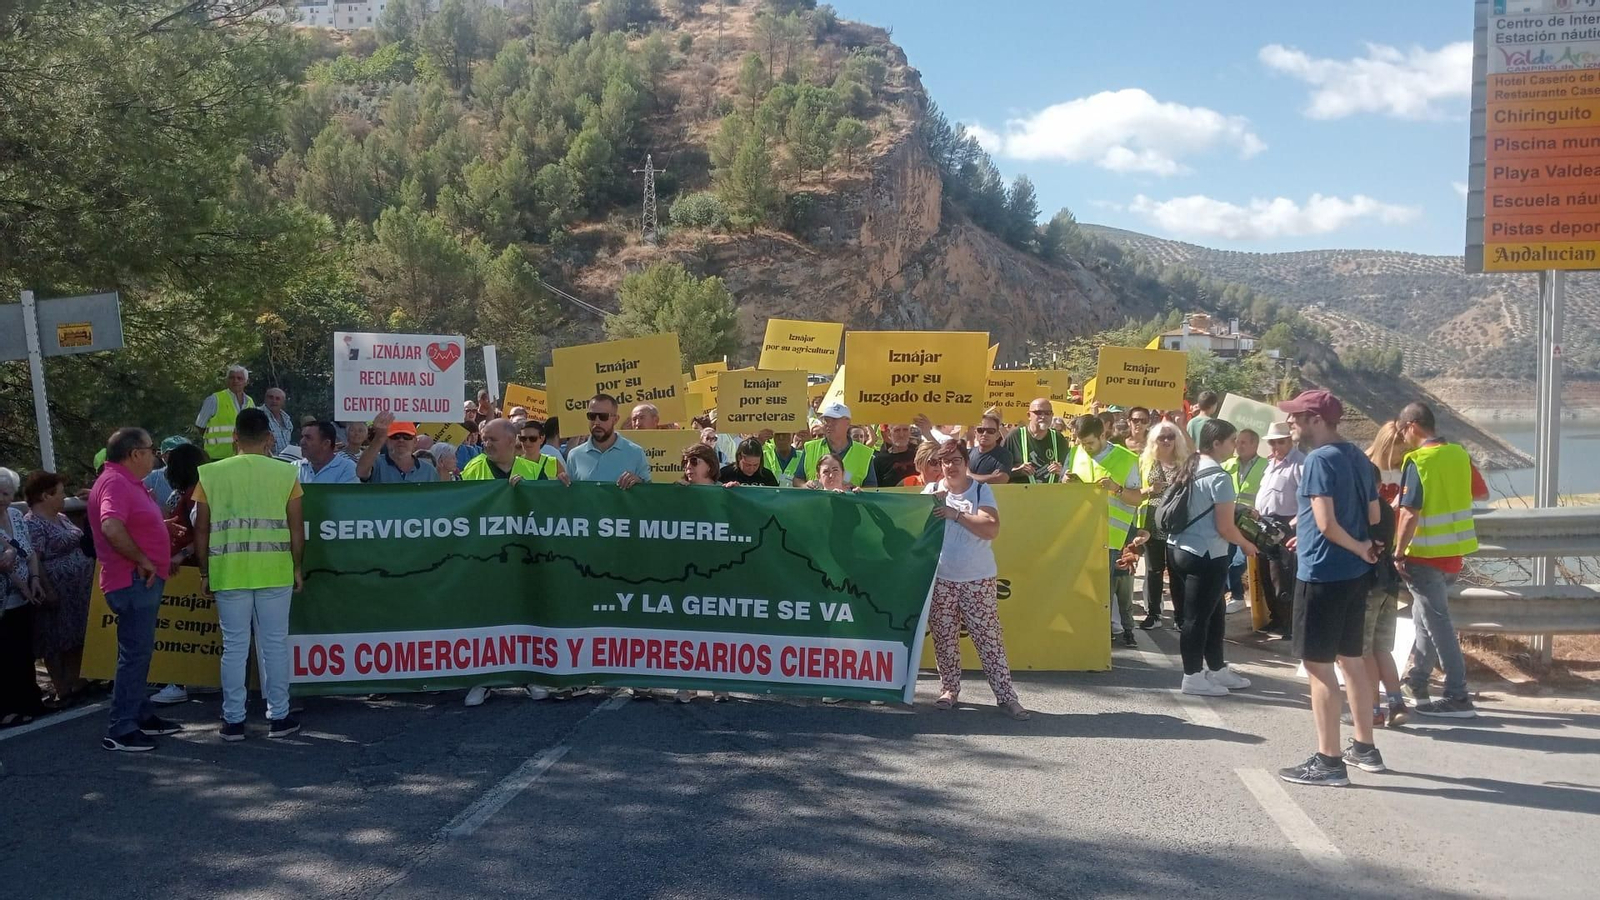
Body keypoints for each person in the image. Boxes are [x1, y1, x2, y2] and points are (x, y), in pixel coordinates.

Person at [1276, 390, 1383, 786]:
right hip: (1354, 575)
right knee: (1351, 659)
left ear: (1317, 420)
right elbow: (1372, 513)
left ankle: (1328, 761)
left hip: (1321, 573)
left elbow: (1326, 524)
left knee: (1318, 667)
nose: (1290, 423)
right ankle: (1364, 747)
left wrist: (1351, 544)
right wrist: (1363, 547)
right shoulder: (1356, 455)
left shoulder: (1318, 459)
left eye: (1297, 417)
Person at [194, 408, 305, 741]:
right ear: (270, 438)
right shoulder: (286, 474)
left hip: (228, 572)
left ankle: (233, 721)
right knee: (274, 646)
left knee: (234, 648)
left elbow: (201, 529)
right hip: (275, 571)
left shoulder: (211, 473)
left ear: (234, 437)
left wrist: (204, 572)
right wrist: (297, 566)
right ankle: (280, 717)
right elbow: (296, 528)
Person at [87, 428, 183, 751]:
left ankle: (139, 714)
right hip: (132, 581)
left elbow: (129, 522)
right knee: (134, 655)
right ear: (134, 454)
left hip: (137, 580)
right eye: (151, 449)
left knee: (136, 653)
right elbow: (111, 525)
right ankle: (121, 727)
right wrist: (143, 559)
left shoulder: (125, 482)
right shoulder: (115, 482)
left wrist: (161, 527)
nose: (155, 455)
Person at [921, 441, 1029, 720]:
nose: (950, 466)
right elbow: (913, 524)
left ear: (965, 461)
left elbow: (990, 528)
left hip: (977, 579)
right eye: (944, 461)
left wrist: (955, 514)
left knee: (988, 639)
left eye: (955, 460)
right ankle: (949, 689)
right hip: (942, 577)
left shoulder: (980, 490)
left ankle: (1006, 697)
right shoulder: (932, 491)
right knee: (944, 638)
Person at [1394, 401, 1481, 720]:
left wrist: (1399, 551)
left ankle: (1458, 695)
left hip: (1424, 555)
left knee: (1438, 623)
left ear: (1413, 426)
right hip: (1453, 555)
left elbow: (1409, 512)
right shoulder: (1459, 454)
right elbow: (1479, 492)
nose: (1403, 438)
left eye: (1403, 431)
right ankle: (1417, 682)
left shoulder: (1417, 460)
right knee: (1424, 619)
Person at [1165, 419, 1257, 697]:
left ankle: (1216, 669)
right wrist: (1247, 544)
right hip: (1206, 555)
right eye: (1232, 441)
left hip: (1179, 549)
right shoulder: (1219, 476)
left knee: (1214, 613)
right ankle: (1192, 677)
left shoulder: (1191, 466)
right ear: (1217, 443)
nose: (1234, 447)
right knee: (1196, 620)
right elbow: (1225, 528)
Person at [1067, 415, 1145, 643]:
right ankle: (1083, 637)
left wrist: (1117, 489)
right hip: (1078, 536)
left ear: (1103, 435)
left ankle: (1099, 641)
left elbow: (1137, 499)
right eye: (1082, 443)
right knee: (1079, 590)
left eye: (1090, 443)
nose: (1086, 448)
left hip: (1109, 538)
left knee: (1103, 592)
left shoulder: (1126, 459)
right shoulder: (1075, 453)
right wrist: (1069, 484)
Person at [23, 472, 94, 706]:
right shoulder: (32, 523)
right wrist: (47, 588)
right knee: (55, 639)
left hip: (77, 589)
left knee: (75, 635)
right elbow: (36, 558)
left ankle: (78, 681)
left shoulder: (62, 517)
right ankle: (62, 687)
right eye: (60, 493)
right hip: (55, 588)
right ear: (45, 495)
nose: (64, 497)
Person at [1359, 423, 1408, 729]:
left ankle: (1374, 709)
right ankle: (1397, 702)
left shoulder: (1364, 511)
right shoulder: (1389, 511)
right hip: (1388, 584)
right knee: (1382, 649)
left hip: (1366, 586)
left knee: (1362, 653)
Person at [1, 467, 48, 726]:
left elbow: (28, 551)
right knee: (4, 654)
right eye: (1, 493)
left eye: (9, 493)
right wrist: (24, 586)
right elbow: (4, 564)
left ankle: (30, 701)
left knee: (23, 650)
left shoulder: (16, 516)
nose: (6, 499)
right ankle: (6, 709)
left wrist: (35, 580)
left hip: (23, 594)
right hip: (4, 596)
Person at [1138, 420, 1190, 630]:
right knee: (1153, 570)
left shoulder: (1185, 464)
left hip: (1177, 522)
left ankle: (1180, 616)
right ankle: (1153, 614)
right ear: (1154, 440)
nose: (1167, 441)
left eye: (1171, 437)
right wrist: (1150, 489)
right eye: (1162, 437)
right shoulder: (1145, 462)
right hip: (1151, 521)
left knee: (1177, 572)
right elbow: (1134, 490)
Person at [1255, 421, 1304, 639]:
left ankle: (1288, 623)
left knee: (1282, 575)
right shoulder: (1271, 464)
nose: (1276, 446)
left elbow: (1309, 499)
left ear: (1290, 441)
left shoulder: (1299, 464)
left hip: (1286, 524)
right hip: (1265, 523)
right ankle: (1277, 618)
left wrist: (1295, 523)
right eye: (1273, 442)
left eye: (1280, 442)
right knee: (1266, 572)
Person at [1223, 428, 1267, 614]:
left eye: (1243, 442)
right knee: (1225, 560)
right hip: (1229, 520)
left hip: (1250, 524)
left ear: (1255, 445)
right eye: (1237, 442)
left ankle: (1238, 597)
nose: (1238, 446)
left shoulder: (1266, 465)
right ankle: (1233, 594)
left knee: (1238, 563)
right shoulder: (1228, 464)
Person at [567, 394, 652, 489]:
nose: (596, 422)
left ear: (615, 419)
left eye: (603, 417)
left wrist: (639, 482)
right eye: (592, 416)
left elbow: (648, 495)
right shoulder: (575, 455)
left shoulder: (636, 453)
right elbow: (570, 496)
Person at [802, 401, 878, 487]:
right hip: (817, 500)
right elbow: (797, 479)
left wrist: (855, 490)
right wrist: (804, 485)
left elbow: (871, 487)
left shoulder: (864, 453)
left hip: (850, 500)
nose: (829, 424)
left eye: (834, 420)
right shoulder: (810, 448)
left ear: (847, 422)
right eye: (826, 420)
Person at [195, 364, 256, 460]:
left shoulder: (250, 402)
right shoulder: (214, 399)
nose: (235, 381)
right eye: (232, 378)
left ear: (246, 382)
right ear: (227, 380)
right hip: (216, 457)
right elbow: (200, 426)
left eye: (239, 378)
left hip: (242, 457)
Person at [358, 413, 439, 483]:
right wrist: (379, 437)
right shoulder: (376, 463)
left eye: (407, 436)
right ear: (387, 440)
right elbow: (361, 472)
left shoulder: (429, 471)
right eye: (395, 436)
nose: (401, 440)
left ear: (415, 441)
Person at [1004, 398, 1067, 484]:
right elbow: (1001, 472)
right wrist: (1017, 471)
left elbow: (1069, 470)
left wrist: (1061, 471)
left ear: (1052, 415)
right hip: (1021, 494)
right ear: (1029, 415)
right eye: (1038, 413)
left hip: (1050, 494)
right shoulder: (1015, 436)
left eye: (1047, 413)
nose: (1043, 416)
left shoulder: (1058, 438)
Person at [142, 435, 193, 510]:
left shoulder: (198, 477)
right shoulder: (152, 479)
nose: (182, 457)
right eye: (177, 453)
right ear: (164, 456)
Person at [966, 412, 1012, 485]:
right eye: (980, 430)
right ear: (975, 433)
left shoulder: (1004, 455)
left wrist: (969, 475)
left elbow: (1001, 479)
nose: (985, 434)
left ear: (997, 435)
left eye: (990, 431)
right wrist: (990, 477)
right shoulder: (968, 453)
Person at [263, 387, 296, 455]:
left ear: (283, 402)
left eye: (277, 398)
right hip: (266, 460)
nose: (274, 401)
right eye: (271, 397)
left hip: (285, 461)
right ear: (265, 399)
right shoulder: (258, 415)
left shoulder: (287, 419)